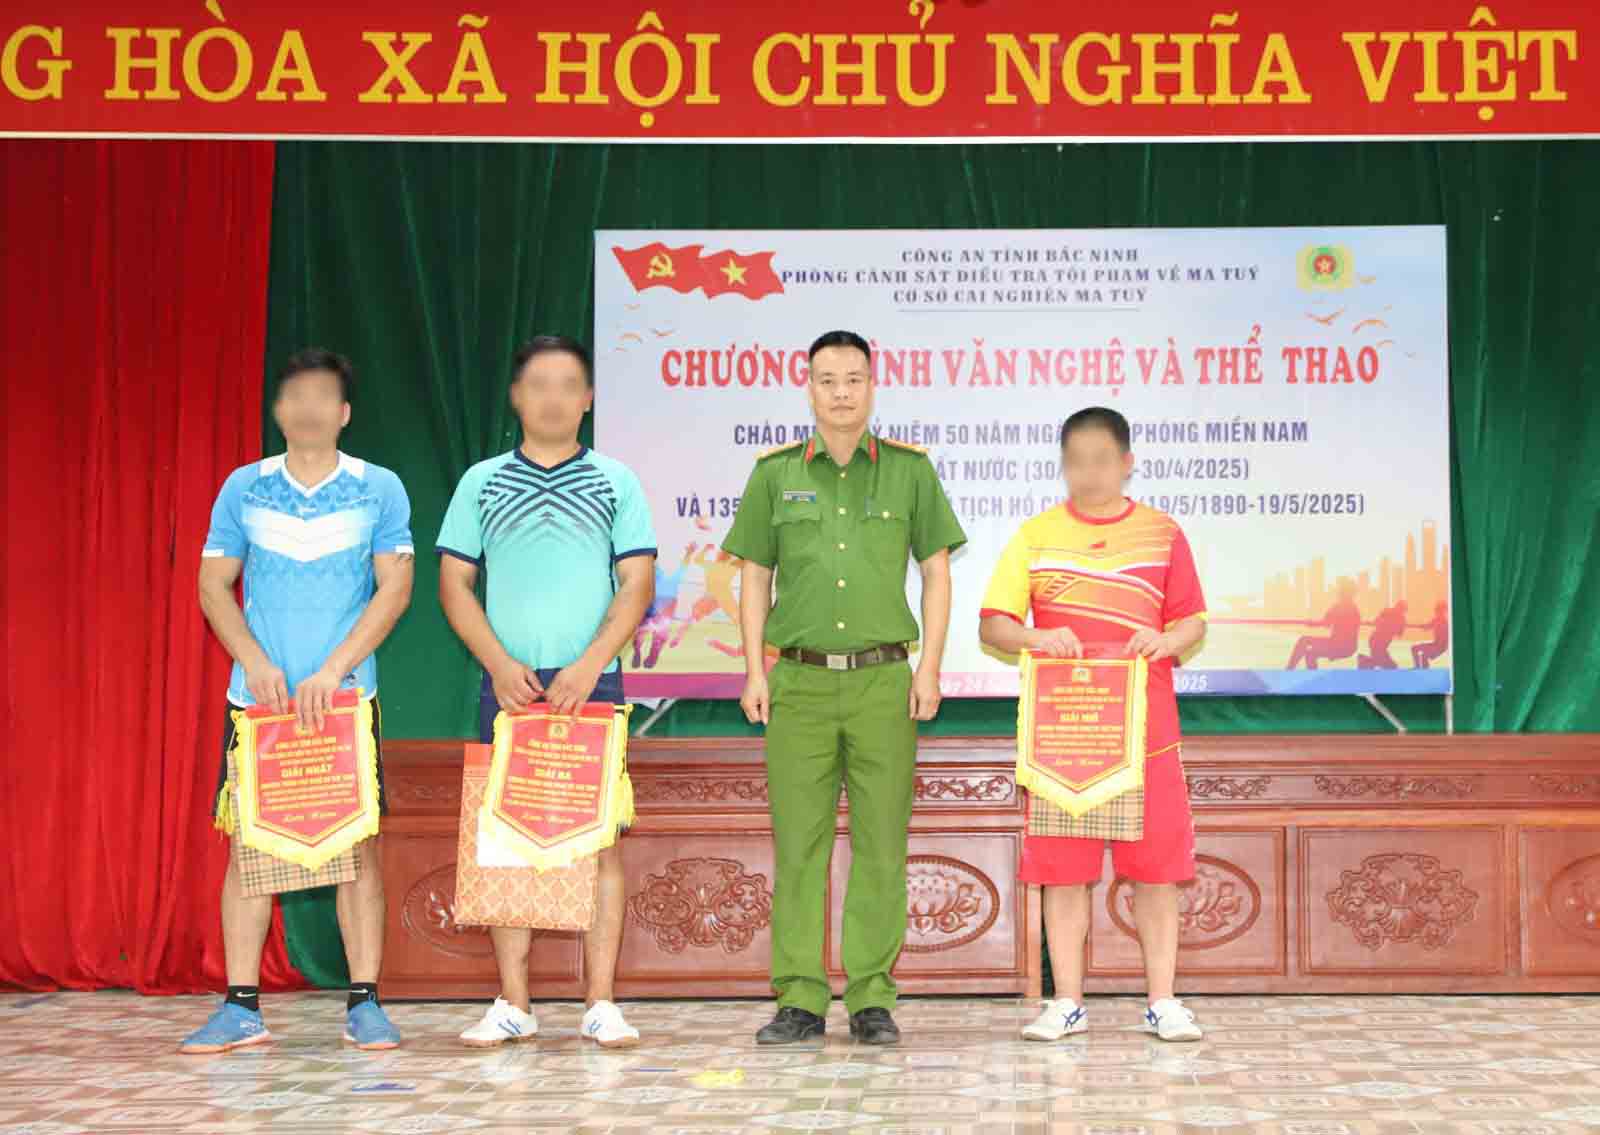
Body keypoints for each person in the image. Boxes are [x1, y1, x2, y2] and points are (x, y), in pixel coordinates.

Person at [723, 329, 966, 1047]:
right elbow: (754, 577)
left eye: (853, 378)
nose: (840, 392)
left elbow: (938, 572)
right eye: (826, 379)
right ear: (807, 386)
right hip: (795, 680)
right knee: (797, 845)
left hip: (883, 681)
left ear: (872, 385)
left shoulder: (909, 472)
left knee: (881, 844)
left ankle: (870, 997)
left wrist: (930, 666)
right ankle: (798, 997)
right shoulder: (772, 473)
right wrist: (753, 669)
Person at [182, 349, 414, 1054]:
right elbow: (213, 585)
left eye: (324, 396)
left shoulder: (380, 487)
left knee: (356, 848)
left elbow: (395, 589)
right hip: (260, 705)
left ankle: (365, 1001)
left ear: (344, 413)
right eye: (295, 396)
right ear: (279, 411)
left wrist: (336, 667)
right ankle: (241, 1003)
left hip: (345, 699)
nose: (309, 408)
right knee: (251, 846)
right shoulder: (242, 488)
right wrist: (254, 662)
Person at [437, 335, 656, 1049]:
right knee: (503, 842)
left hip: (591, 685)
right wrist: (498, 663)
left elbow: (638, 584)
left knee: (601, 846)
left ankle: (601, 1001)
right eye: (539, 384)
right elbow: (454, 586)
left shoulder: (616, 481)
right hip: (508, 690)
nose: (555, 397)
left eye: (569, 384)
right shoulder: (481, 481)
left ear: (588, 398)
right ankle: (513, 1000)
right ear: (516, 396)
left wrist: (593, 661)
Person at [979, 406, 1207, 1044]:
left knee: (1158, 873)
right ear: (1063, 464)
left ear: (1128, 462)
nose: (1089, 473)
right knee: (1063, 871)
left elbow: (1193, 623)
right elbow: (992, 625)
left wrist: (1163, 640)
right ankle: (1066, 1002)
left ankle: (1162, 1000)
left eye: (1101, 460)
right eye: (1076, 461)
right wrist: (1037, 635)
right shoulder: (1035, 534)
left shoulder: (1163, 533)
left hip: (1147, 733)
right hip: (1066, 735)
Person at [1287, 580, 1361, 670]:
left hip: (1337, 645)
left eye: (1340, 591)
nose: (1338, 593)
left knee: (1305, 644)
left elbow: (1326, 623)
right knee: (1309, 650)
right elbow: (1328, 624)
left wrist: (1311, 623)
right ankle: (1291, 670)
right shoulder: (1354, 608)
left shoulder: (1339, 607)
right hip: (1349, 647)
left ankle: (1289, 670)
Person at [1358, 600, 1408, 669]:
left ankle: (1363, 661)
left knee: (1380, 661)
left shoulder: (1388, 611)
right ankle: (1363, 661)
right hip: (1379, 642)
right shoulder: (1401, 618)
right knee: (1389, 665)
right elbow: (1399, 634)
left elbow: (1376, 621)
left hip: (1376, 640)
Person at [1412, 601, 1450, 668]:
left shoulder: (1444, 622)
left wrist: (1444, 648)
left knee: (1423, 655)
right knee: (1415, 649)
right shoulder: (1436, 620)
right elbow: (1425, 626)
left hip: (1440, 647)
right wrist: (1409, 626)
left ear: (1443, 611)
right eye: (1436, 610)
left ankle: (1421, 669)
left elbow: (1446, 639)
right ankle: (1420, 668)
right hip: (1436, 645)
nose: (1436, 612)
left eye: (1438, 610)